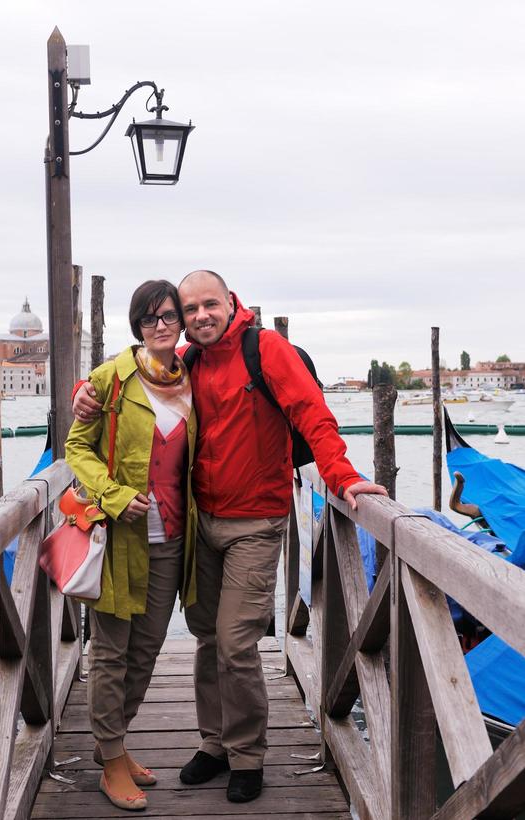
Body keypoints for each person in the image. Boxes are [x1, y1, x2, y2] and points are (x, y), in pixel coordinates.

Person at [73, 270, 387, 804]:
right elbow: (99, 418)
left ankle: (246, 755)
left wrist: (342, 475)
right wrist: (85, 391)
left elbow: (312, 414)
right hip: (193, 526)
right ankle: (212, 744)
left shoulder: (264, 349)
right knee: (205, 638)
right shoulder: (178, 365)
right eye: (184, 309)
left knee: (236, 642)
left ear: (230, 303)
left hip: (253, 523)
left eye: (203, 306)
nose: (195, 317)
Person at [65, 279, 198, 812]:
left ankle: (112, 745)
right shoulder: (109, 379)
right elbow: (76, 445)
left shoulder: (193, 377)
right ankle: (112, 757)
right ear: (136, 327)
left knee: (145, 651)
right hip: (118, 536)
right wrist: (116, 495)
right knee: (111, 655)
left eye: (167, 316)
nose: (160, 325)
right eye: (148, 319)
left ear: (180, 322)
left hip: (172, 539)